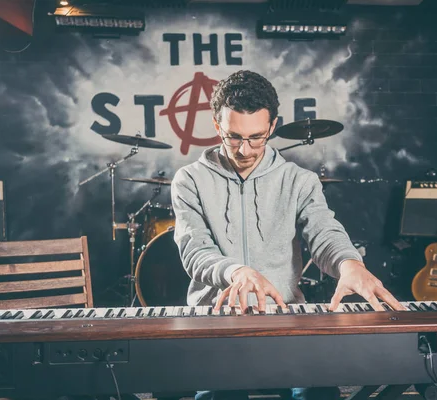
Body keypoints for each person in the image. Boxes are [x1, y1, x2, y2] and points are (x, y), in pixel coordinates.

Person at [170, 70, 404, 400]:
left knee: (318, 394)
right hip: (216, 321)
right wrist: (236, 271)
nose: (244, 150)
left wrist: (351, 265)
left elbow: (325, 232)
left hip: (285, 316)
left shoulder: (299, 180)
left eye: (257, 137)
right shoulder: (189, 180)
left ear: (273, 127)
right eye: (233, 137)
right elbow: (194, 250)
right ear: (217, 125)